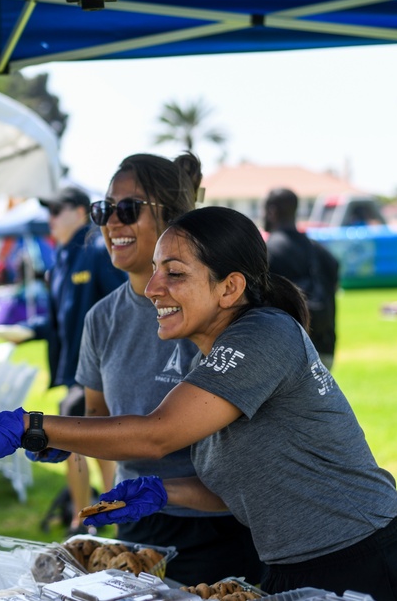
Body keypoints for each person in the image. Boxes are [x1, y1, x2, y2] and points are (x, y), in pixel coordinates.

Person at [0, 206, 397, 601]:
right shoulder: (209, 359)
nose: (155, 289)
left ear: (230, 286)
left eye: (175, 273)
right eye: (156, 271)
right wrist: (165, 492)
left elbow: (157, 432)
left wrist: (32, 426)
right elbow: (245, 487)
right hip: (294, 568)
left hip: (370, 564)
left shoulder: (267, 334)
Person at [72, 153, 263, 583]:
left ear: (175, 221)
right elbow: (98, 418)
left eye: (128, 210)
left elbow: (162, 433)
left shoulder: (222, 313)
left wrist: (39, 427)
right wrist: (69, 439)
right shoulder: (102, 318)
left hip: (222, 525)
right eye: (104, 210)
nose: (112, 223)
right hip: (137, 521)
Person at [17, 186, 127, 535]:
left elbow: (122, 306)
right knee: (82, 443)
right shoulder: (62, 257)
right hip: (72, 369)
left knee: (89, 442)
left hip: (98, 370)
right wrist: (28, 331)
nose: (50, 219)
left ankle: (98, 516)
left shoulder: (96, 252)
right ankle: (90, 516)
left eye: (56, 210)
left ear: (80, 211)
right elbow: (58, 315)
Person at [263, 188, 339, 369]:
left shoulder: (268, 252)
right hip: (324, 347)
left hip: (286, 351)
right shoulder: (320, 251)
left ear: (271, 211)